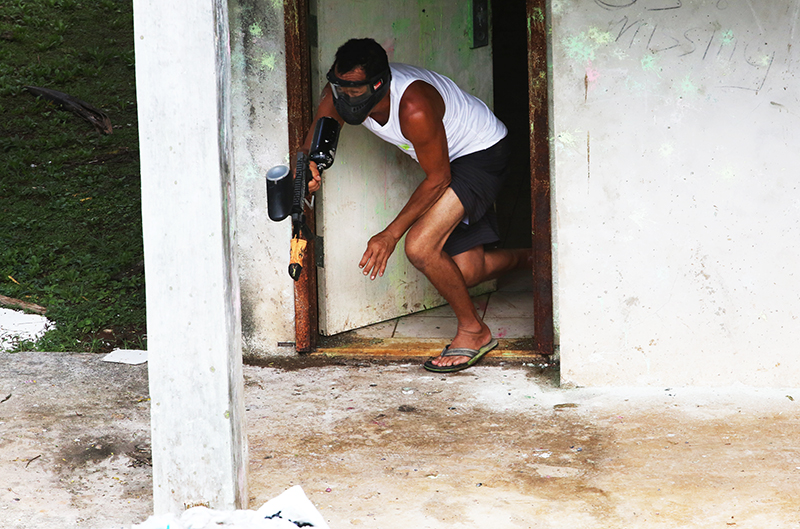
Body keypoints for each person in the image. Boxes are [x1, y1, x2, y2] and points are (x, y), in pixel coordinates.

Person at [301, 38, 531, 373]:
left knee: (421, 247)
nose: (345, 98)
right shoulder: (338, 92)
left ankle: (474, 330)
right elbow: (314, 143)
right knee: (465, 273)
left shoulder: (414, 107)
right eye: (340, 87)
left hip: (481, 154)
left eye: (355, 90)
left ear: (379, 84)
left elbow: (439, 179)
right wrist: (309, 167)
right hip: (445, 161)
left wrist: (390, 235)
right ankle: (536, 258)